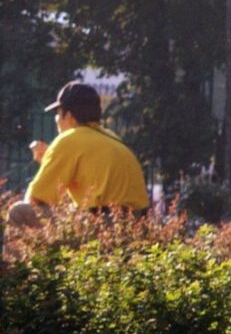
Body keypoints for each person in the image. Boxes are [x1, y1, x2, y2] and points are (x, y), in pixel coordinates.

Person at [6, 81, 148, 229]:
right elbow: (84, 195)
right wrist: (48, 159)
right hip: (137, 224)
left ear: (69, 115)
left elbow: (36, 199)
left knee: (19, 212)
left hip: (102, 224)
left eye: (58, 113)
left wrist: (51, 160)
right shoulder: (111, 136)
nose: (56, 119)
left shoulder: (69, 140)